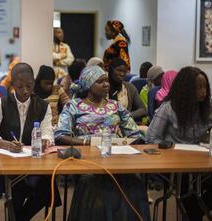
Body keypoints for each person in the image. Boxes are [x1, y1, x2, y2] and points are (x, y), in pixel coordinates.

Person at [54, 66, 150, 221]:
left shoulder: (116, 106)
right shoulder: (73, 106)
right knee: (94, 184)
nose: (107, 84)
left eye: (106, 80)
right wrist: (87, 142)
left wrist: (125, 142)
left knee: (135, 183)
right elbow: (60, 135)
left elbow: (134, 133)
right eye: (100, 81)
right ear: (88, 85)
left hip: (117, 157)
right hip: (88, 159)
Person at [0, 63, 60, 220]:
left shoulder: (43, 106)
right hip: (8, 164)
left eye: (29, 86)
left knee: (49, 186)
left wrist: (44, 141)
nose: (25, 91)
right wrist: (6, 144)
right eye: (20, 86)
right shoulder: (1, 103)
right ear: (12, 85)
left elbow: (48, 135)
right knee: (16, 190)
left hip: (34, 163)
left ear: (34, 83)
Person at [146, 66, 212, 221]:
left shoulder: (206, 108)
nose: (203, 91)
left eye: (205, 87)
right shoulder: (168, 108)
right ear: (186, 89)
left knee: (201, 189)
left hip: (199, 161)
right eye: (198, 88)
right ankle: (194, 211)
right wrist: (167, 146)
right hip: (174, 163)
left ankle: (195, 209)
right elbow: (151, 138)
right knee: (188, 188)